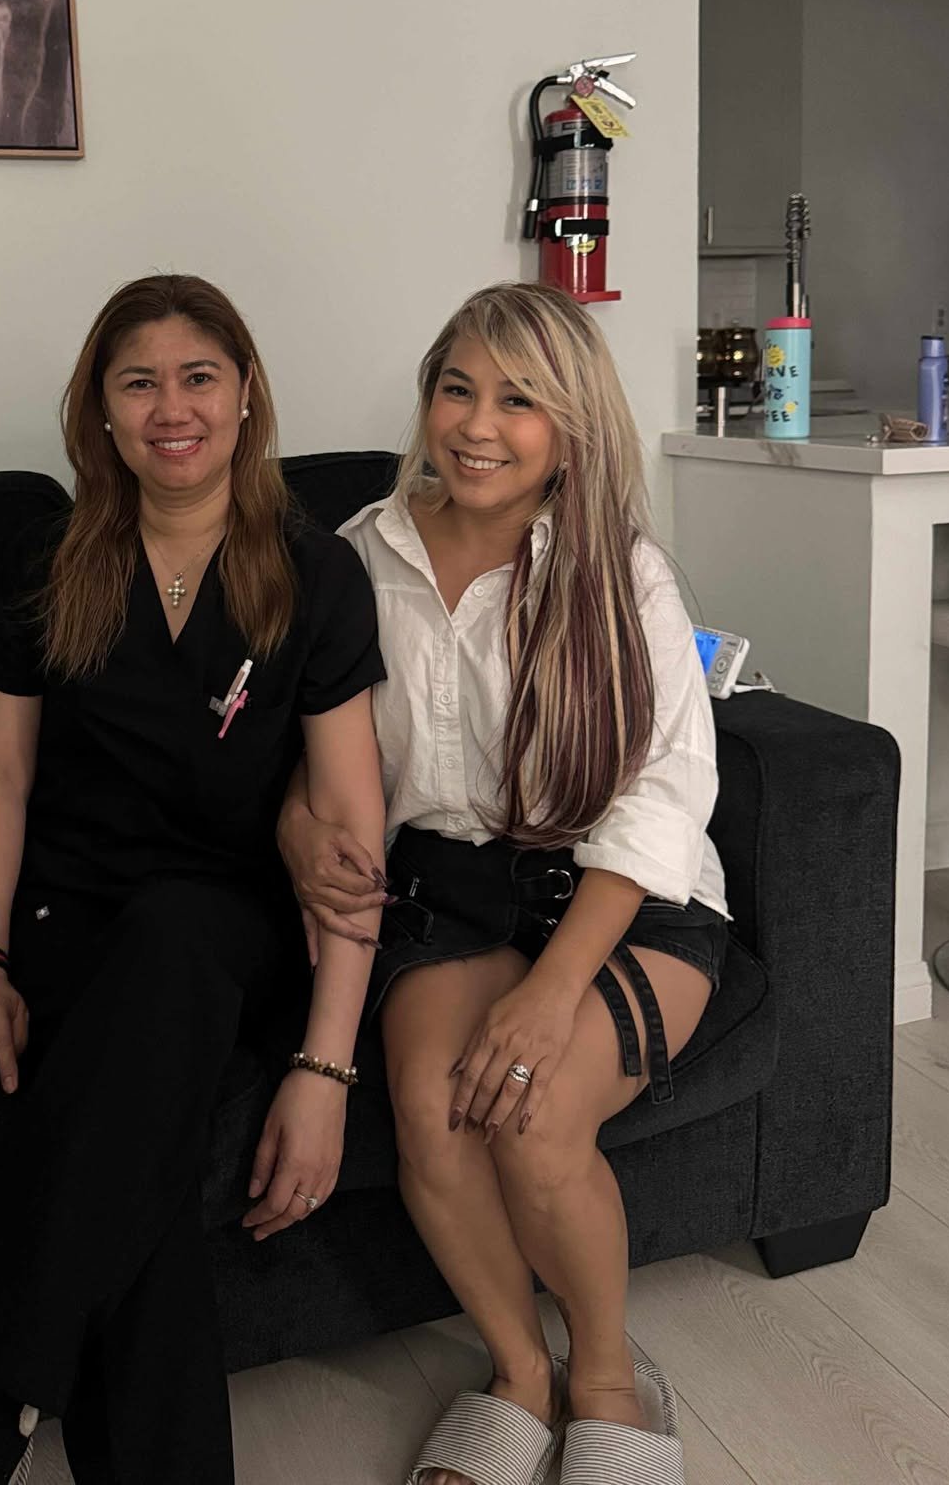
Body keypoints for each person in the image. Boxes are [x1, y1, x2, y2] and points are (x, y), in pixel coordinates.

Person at [0, 273, 387, 1485]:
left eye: (198, 375)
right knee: (146, 1183)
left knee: (177, 932)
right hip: (75, 926)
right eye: (139, 381)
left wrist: (326, 1067)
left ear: (243, 399)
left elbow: (345, 827)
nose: (171, 406)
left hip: (232, 931)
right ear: (103, 413)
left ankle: (3, 1385)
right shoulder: (50, 563)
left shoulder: (315, 572)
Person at [280, 282, 727, 1485]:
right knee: (432, 1110)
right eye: (458, 387)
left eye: (521, 398)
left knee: (531, 1111)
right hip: (449, 886)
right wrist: (295, 826)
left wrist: (553, 990)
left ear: (570, 426)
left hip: (628, 894)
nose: (479, 423)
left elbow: (662, 799)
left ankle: (607, 1379)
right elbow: (311, 744)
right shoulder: (351, 557)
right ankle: (518, 1371)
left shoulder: (621, 573)